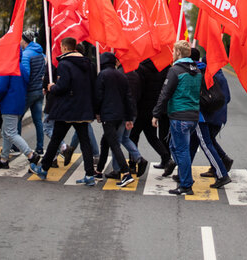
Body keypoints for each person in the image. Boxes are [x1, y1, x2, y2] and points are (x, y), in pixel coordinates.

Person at [30, 37, 98, 185]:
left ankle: (44, 168)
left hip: (67, 108)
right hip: (83, 108)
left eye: (61, 47)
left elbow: (63, 87)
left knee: (55, 139)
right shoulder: (88, 64)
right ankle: (89, 175)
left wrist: (52, 87)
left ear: (65, 48)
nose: (60, 49)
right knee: (85, 141)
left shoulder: (65, 64)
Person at [152, 40, 202, 196]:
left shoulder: (176, 70)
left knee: (181, 150)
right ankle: (184, 177)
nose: (172, 54)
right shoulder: (197, 70)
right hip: (193, 115)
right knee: (175, 147)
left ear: (178, 53)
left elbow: (165, 93)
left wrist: (156, 113)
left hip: (179, 116)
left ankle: (186, 184)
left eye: (173, 52)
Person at [186, 49, 231, 189]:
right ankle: (184, 171)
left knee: (206, 144)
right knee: (194, 143)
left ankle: (222, 173)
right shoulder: (213, 74)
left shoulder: (199, 73)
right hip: (208, 115)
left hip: (203, 115)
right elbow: (226, 97)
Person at [93, 52, 135, 187]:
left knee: (114, 144)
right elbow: (128, 98)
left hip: (108, 115)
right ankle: (99, 171)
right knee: (105, 142)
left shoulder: (103, 75)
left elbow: (98, 96)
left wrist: (97, 112)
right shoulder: (122, 75)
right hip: (120, 115)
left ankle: (126, 173)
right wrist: (129, 118)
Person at [0, 56, 40, 169]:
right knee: (6, 132)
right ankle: (3, 159)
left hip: (9, 104)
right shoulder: (21, 67)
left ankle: (30, 155)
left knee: (11, 133)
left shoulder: (8, 67)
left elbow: (1, 88)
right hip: (19, 104)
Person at [130, 58, 172, 170]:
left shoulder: (140, 68)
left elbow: (138, 88)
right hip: (154, 107)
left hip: (141, 106)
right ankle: (167, 159)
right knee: (152, 137)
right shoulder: (163, 68)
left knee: (133, 136)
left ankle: (133, 164)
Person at [199, 59, 233, 179]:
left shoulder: (210, 77)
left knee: (208, 142)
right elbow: (227, 97)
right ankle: (221, 162)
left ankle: (222, 162)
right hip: (221, 115)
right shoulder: (221, 76)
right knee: (209, 141)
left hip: (211, 115)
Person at [20, 31, 46, 155]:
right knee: (38, 121)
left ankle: (16, 146)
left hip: (29, 91)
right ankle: (40, 147)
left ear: (24, 41)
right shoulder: (41, 53)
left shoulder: (26, 55)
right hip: (40, 91)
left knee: (17, 117)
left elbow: (26, 74)